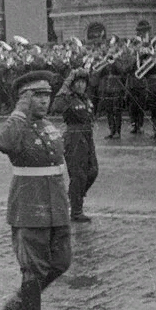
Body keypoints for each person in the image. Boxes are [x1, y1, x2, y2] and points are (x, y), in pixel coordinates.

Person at [0, 71, 71, 310]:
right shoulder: (18, 126)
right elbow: (4, 144)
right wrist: (19, 112)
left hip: (55, 205)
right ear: (25, 98)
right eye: (37, 96)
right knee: (34, 269)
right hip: (29, 206)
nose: (44, 101)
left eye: (47, 95)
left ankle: (19, 304)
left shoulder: (47, 126)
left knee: (61, 261)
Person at [52, 69, 98, 222]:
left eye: (83, 82)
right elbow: (56, 106)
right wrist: (66, 84)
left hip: (87, 136)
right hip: (74, 136)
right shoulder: (67, 98)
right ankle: (76, 210)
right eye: (77, 82)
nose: (81, 85)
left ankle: (74, 197)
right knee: (78, 175)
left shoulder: (85, 98)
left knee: (93, 171)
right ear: (72, 84)